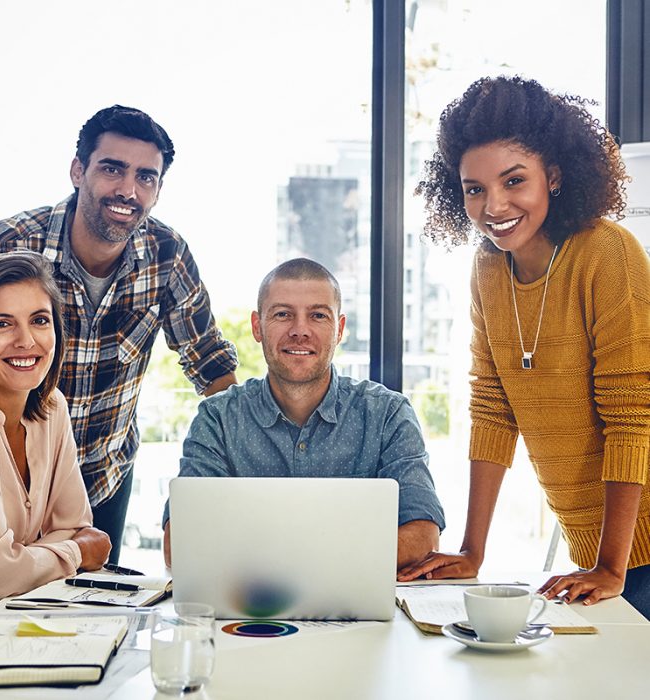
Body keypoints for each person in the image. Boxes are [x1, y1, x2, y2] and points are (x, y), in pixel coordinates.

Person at [405, 75, 650, 618]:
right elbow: (492, 407)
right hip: (599, 549)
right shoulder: (489, 268)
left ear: (554, 176)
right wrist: (472, 551)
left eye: (514, 181)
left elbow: (631, 416)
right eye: (474, 188)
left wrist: (612, 565)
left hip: (633, 548)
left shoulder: (607, 254)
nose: (494, 205)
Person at [0, 106, 238, 563]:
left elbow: (208, 362)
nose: (128, 190)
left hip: (103, 479)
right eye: (112, 169)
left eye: (146, 177)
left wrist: (250, 464)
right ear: (78, 170)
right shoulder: (6, 246)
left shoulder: (168, 256)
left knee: (87, 619)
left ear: (158, 190)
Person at [162, 258, 445, 571]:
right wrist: (337, 559)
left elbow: (424, 536)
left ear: (339, 329)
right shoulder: (218, 418)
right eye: (283, 314)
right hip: (249, 609)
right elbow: (180, 544)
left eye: (318, 316)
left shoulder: (387, 413)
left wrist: (287, 562)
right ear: (257, 326)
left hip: (358, 610)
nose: (300, 331)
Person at [0, 252, 111, 611]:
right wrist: (77, 552)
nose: (26, 341)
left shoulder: (52, 408)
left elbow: (76, 526)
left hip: (1, 625)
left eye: (39, 320)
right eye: (1, 324)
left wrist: (17, 565)